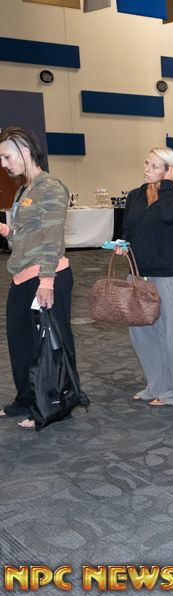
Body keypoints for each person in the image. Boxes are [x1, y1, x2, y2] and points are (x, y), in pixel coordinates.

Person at [0, 127, 74, 429]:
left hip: (46, 275)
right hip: (21, 276)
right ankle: (27, 399)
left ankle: (52, 405)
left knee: (47, 345)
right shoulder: (23, 190)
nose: (3, 164)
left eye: (6, 157)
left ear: (25, 151)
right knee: (20, 343)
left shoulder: (50, 187)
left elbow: (52, 239)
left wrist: (46, 282)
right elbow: (26, 234)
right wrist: (6, 231)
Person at [121, 147, 173, 405]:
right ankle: (156, 385)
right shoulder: (134, 195)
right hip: (138, 275)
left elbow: (169, 216)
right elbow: (128, 229)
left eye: (154, 166)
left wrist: (166, 186)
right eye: (146, 163)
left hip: (168, 276)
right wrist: (122, 244)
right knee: (142, 334)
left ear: (169, 171)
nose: (146, 169)